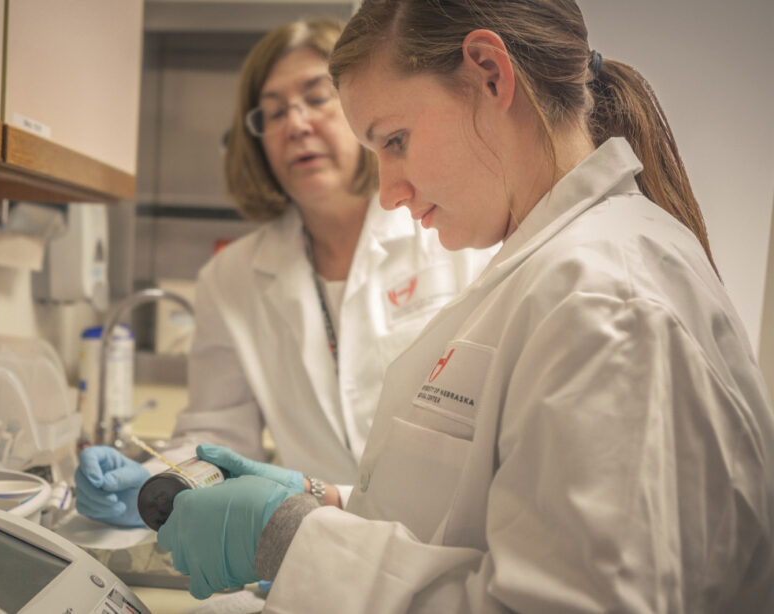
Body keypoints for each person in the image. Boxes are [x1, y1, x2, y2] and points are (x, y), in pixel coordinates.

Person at [154, 1, 774, 611]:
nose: (390, 192)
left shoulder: (606, 302)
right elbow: (480, 519)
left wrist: (291, 541)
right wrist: (329, 504)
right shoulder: (547, 271)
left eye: (395, 139)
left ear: (489, 73)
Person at [74, 18, 494, 527]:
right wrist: (159, 481)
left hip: (447, 542)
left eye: (317, 98)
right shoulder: (231, 278)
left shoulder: (450, 231)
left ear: (365, 108)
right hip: (313, 549)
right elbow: (220, 436)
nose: (295, 124)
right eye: (273, 112)